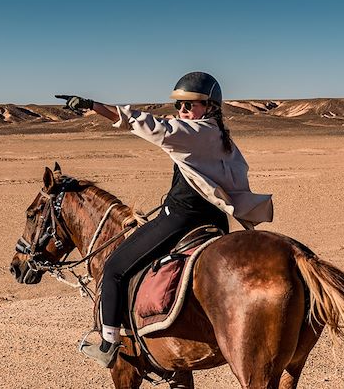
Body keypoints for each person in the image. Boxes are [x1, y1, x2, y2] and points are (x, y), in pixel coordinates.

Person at [55, 71, 273, 368]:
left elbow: (144, 123)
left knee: (115, 269)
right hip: (216, 221)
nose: (182, 112)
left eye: (190, 105)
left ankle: (108, 344)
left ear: (210, 107)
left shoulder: (192, 133)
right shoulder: (222, 137)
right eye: (179, 107)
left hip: (183, 217)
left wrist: (94, 106)